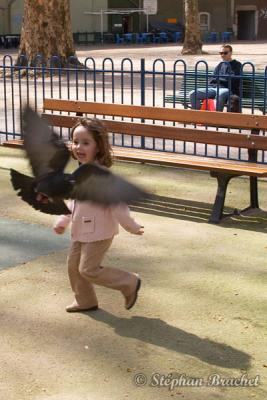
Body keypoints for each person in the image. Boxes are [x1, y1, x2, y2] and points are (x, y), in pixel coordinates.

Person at [53, 118, 144, 313]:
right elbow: (74, 200)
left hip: (99, 233)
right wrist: (62, 219)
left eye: (86, 142)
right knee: (73, 267)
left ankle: (129, 282)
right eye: (75, 142)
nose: (79, 147)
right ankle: (85, 300)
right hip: (80, 230)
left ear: (98, 146)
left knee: (88, 269)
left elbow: (118, 205)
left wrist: (131, 225)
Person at [189, 45, 242, 112]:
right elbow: (212, 78)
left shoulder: (237, 65)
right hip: (214, 88)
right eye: (221, 53)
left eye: (225, 53)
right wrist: (219, 79)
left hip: (227, 89)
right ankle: (197, 117)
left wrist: (218, 78)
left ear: (231, 53)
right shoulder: (220, 65)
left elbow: (232, 79)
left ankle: (216, 118)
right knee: (193, 93)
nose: (222, 55)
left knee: (220, 94)